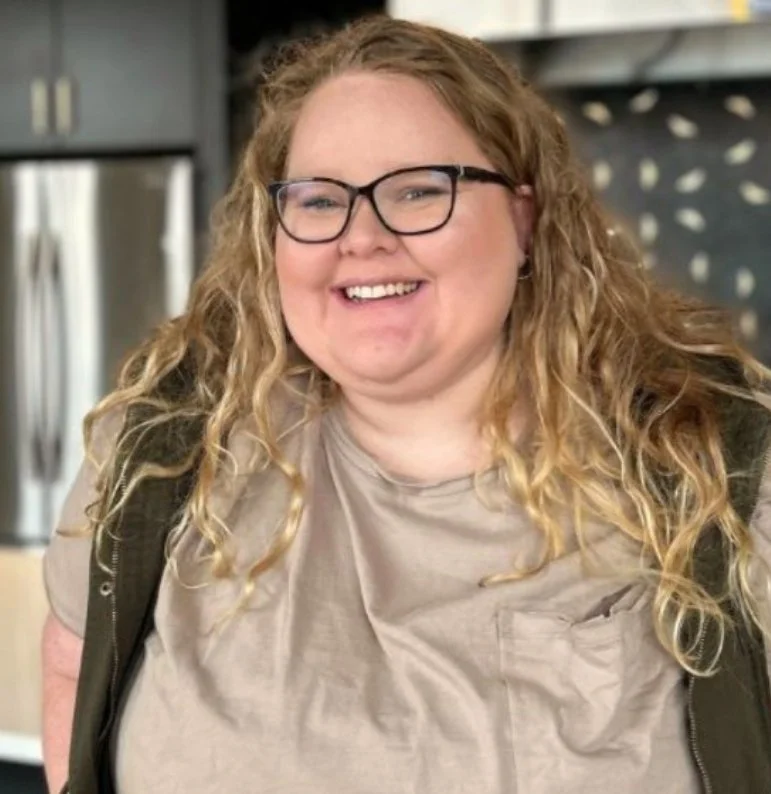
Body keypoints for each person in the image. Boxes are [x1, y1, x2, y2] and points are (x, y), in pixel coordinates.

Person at [41, 14, 771, 794]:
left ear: (523, 221)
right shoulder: (164, 446)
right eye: (320, 201)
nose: (361, 237)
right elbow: (70, 661)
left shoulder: (711, 467)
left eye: (419, 190)